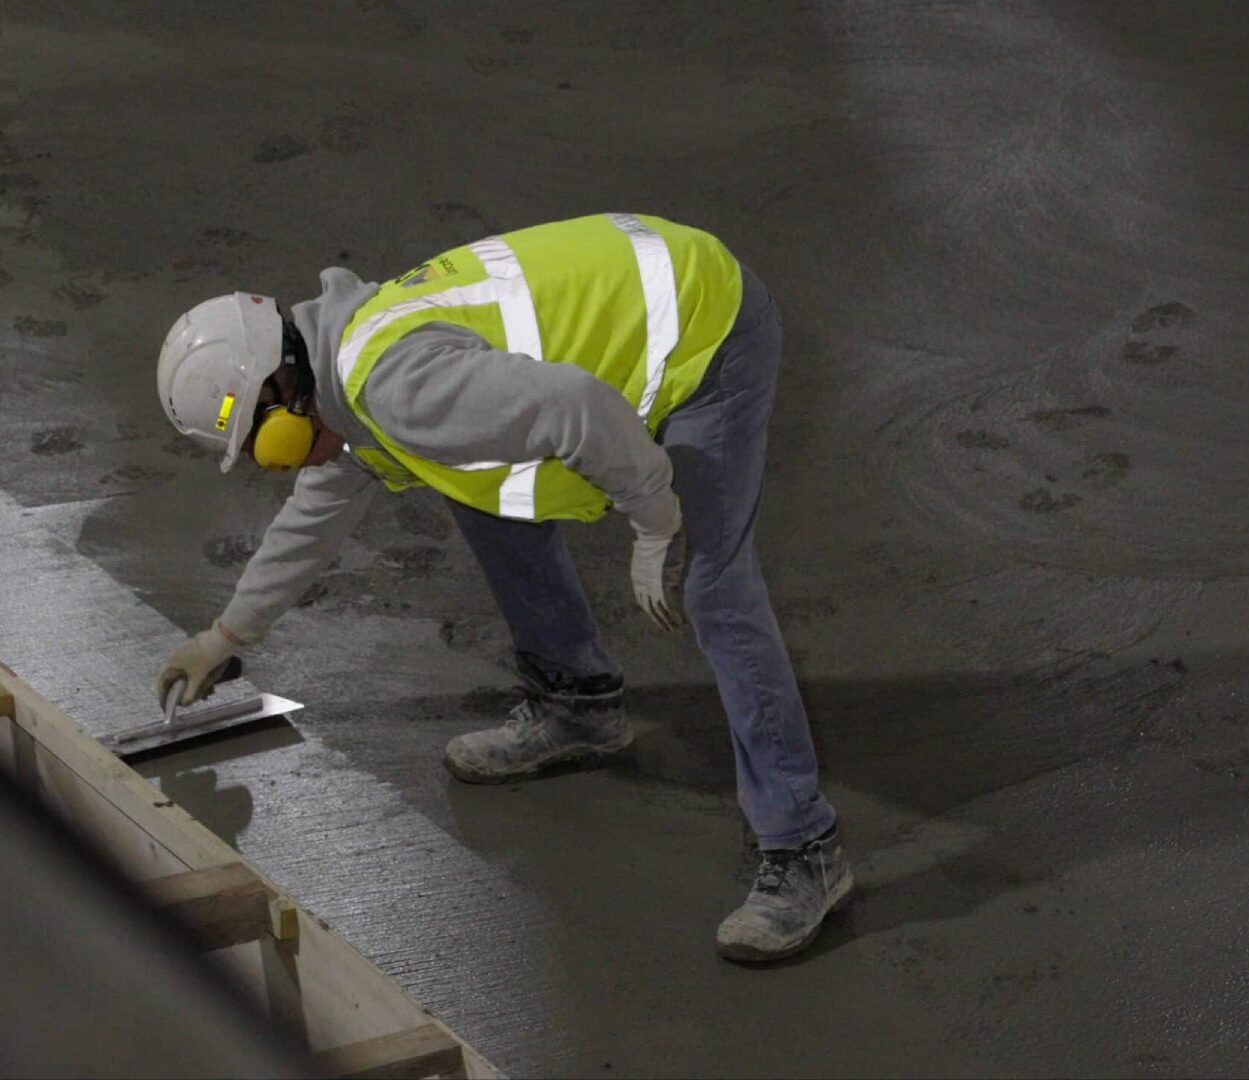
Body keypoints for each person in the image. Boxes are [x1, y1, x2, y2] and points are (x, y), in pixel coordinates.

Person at [155, 212, 852, 962]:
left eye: (268, 447)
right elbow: (315, 517)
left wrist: (655, 521)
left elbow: (578, 407)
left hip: (704, 322)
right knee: (472, 481)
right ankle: (579, 704)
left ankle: (804, 846)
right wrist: (225, 636)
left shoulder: (400, 389)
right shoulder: (342, 374)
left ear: (282, 386)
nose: (283, 464)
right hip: (638, 298)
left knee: (712, 583)